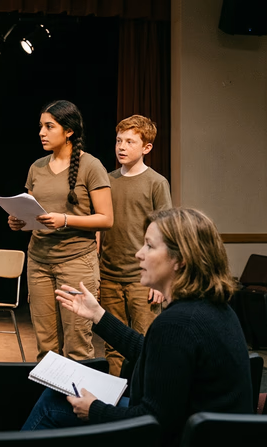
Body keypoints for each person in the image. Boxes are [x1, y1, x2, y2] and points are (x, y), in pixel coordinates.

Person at [22, 208, 252, 446]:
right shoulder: (213, 309)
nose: (138, 254)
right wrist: (97, 315)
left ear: (180, 260)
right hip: (204, 433)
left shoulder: (177, 323)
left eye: (149, 246)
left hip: (179, 437)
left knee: (52, 404)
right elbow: (156, 354)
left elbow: (153, 423)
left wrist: (94, 410)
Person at [8, 100, 113, 362]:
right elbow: (31, 210)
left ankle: (80, 403)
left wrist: (66, 219)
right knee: (46, 346)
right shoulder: (37, 167)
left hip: (76, 262)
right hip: (39, 261)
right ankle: (49, 403)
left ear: (69, 131)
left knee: (77, 344)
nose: (41, 132)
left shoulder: (91, 166)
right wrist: (19, 221)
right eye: (41, 126)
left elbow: (106, 218)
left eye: (49, 126)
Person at [99, 115, 172, 376]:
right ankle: (114, 402)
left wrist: (160, 281)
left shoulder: (156, 183)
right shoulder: (107, 180)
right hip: (109, 276)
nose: (122, 146)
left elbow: (166, 232)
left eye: (130, 141)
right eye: (119, 140)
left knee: (144, 343)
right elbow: (100, 228)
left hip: (143, 279)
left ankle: (141, 402)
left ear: (146, 147)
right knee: (112, 346)